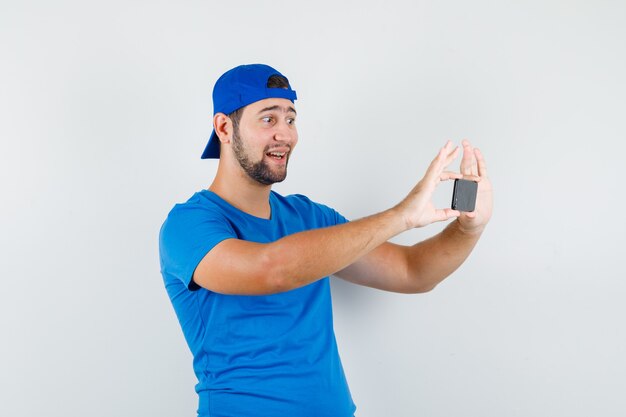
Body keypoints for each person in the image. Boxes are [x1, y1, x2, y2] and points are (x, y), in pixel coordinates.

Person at [159, 63, 493, 417]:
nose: (285, 135)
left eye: (291, 119)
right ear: (224, 127)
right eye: (268, 119)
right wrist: (401, 216)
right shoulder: (189, 224)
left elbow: (413, 272)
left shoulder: (310, 218)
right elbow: (271, 270)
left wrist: (469, 228)